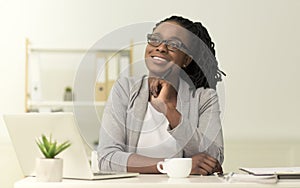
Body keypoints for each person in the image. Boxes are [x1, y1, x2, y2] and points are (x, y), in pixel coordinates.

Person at [97, 15, 226, 175]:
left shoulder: (204, 98)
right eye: (155, 39)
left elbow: (214, 158)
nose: (161, 48)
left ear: (186, 59)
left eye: (173, 45)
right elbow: (107, 158)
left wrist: (171, 112)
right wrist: (171, 166)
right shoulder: (125, 89)